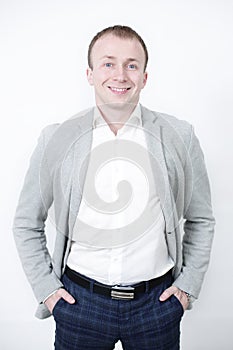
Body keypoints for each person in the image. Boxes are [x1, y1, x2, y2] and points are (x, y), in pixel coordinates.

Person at [13, 25, 215, 350]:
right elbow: (26, 221)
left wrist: (187, 288)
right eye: (108, 63)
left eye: (131, 65)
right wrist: (48, 291)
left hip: (157, 305)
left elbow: (201, 218)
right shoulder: (56, 139)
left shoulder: (180, 136)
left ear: (144, 77)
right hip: (79, 304)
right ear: (90, 74)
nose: (120, 75)